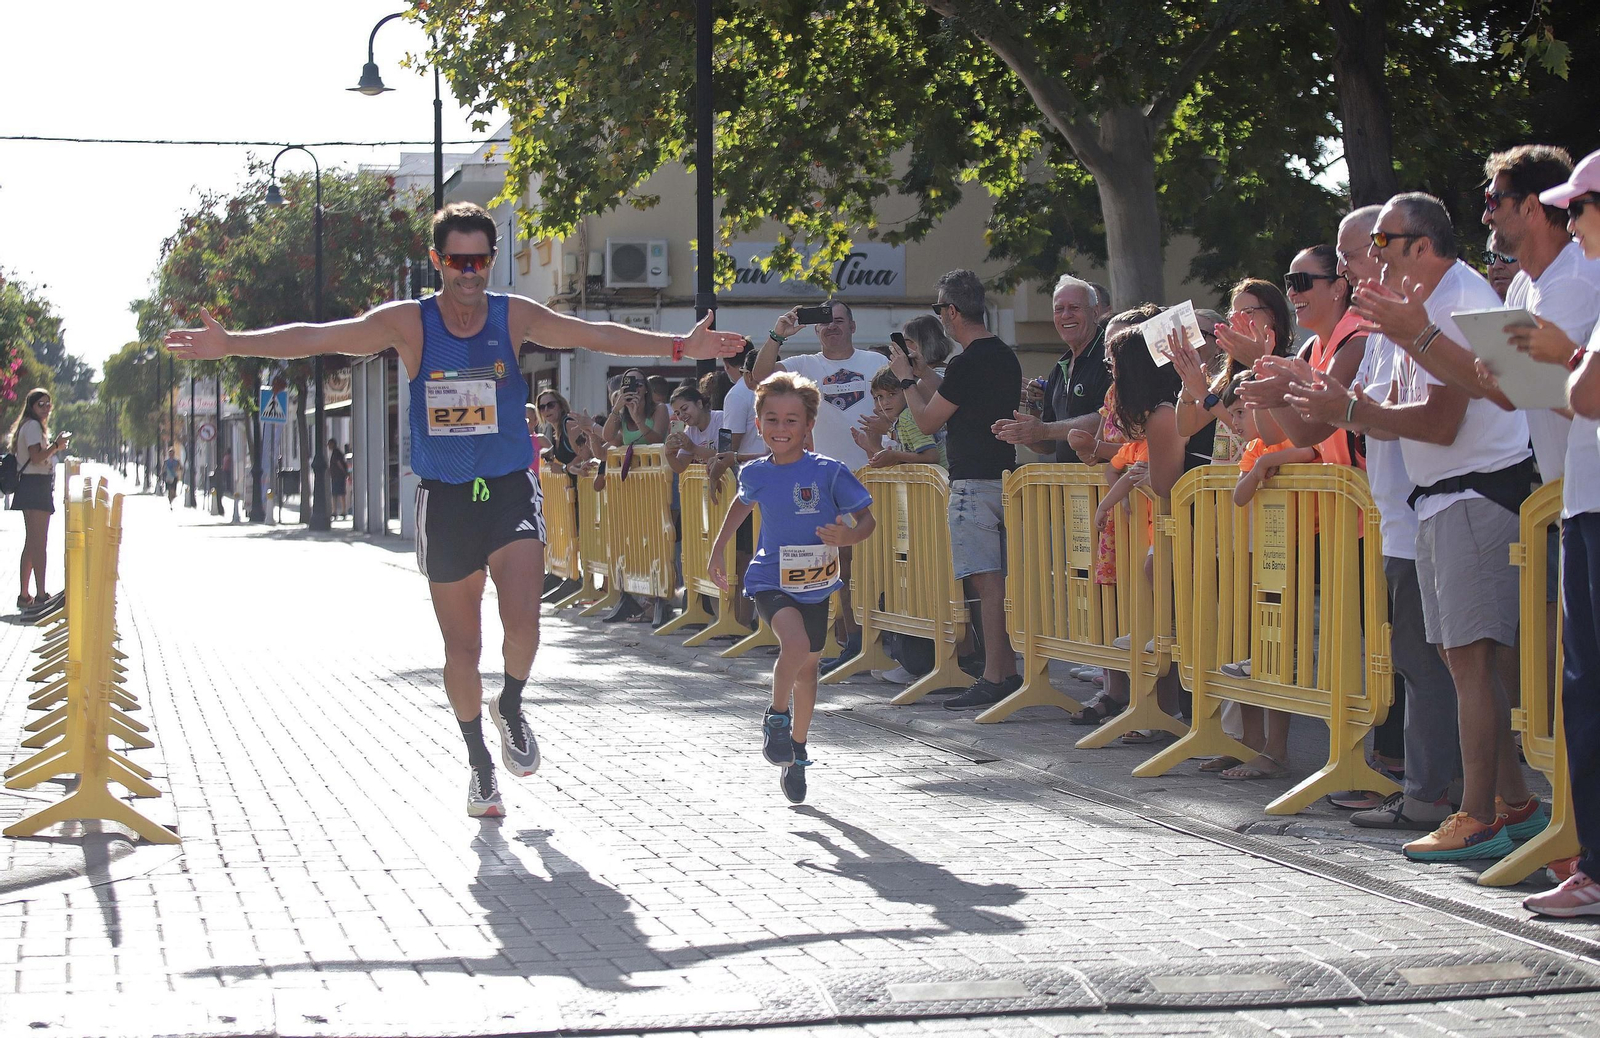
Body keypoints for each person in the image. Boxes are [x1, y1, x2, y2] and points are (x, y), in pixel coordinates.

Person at [165, 200, 743, 818]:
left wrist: (680, 346)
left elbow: (592, 333)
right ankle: (479, 765)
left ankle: (511, 707)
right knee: (461, 649)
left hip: (507, 490)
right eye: (458, 261)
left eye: (481, 261)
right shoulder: (409, 324)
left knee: (524, 625)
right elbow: (321, 335)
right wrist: (233, 344)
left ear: (492, 262)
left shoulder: (511, 315)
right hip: (444, 499)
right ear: (439, 262)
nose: (470, 273)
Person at [1331, 192, 1538, 862]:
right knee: (1466, 664)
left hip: (1474, 494)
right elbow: (1402, 410)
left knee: (1472, 662)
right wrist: (1343, 406)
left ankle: (1478, 813)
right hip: (1442, 497)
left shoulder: (1458, 300)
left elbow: (1441, 423)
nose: (1373, 259)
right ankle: (1517, 806)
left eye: (1383, 244)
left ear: (1421, 246)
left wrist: (1351, 408)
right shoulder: (1421, 305)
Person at [1275, 207, 1460, 832]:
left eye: (1355, 253)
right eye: (1353, 254)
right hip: (1397, 514)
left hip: (1430, 507)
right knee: (1413, 658)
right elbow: (1326, 422)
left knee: (1433, 661)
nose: (1356, 266)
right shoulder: (1378, 324)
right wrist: (1292, 384)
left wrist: (1338, 401)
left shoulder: (1425, 307)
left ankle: (1438, 794)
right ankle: (1431, 790)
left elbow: (1423, 417)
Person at [708, 372, 875, 804]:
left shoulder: (830, 472)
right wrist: (718, 550)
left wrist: (848, 538)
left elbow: (867, 521)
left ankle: (797, 752)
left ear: (807, 426)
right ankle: (776, 718)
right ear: (759, 423)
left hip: (817, 584)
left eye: (791, 421)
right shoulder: (756, 472)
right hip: (770, 578)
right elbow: (740, 507)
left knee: (809, 671)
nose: (781, 429)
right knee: (795, 644)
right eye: (772, 420)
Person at [1521, 149, 1600, 915]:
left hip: (1595, 506)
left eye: (1578, 209)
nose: (1569, 223)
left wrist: (1564, 355)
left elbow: (1586, 391)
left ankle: (1597, 869)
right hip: (1584, 500)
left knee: (1590, 685)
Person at [894, 269, 1022, 710]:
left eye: (940, 312)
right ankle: (1005, 669)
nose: (942, 321)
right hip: (1005, 477)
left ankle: (994, 674)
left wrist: (906, 382)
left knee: (987, 585)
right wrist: (922, 373)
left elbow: (928, 419)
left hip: (972, 483)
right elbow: (953, 394)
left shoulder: (968, 361)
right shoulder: (1003, 355)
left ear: (951, 311)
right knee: (1000, 584)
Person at [753, 302, 887, 665]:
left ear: (854, 326)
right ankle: (852, 641)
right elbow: (758, 379)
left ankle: (887, 643)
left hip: (882, 477)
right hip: (827, 484)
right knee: (839, 565)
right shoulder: (804, 366)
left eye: (839, 320)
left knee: (885, 565)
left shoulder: (876, 362)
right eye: (825, 322)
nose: (832, 327)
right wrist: (778, 334)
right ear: (816, 330)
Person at [990, 275, 1111, 460]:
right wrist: (1022, 431)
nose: (1065, 315)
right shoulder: (1060, 368)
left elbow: (1107, 420)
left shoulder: (1109, 357)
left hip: (1106, 485)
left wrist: (1044, 430)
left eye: (1074, 308)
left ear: (1095, 313)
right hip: (1069, 486)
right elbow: (1047, 445)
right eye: (1059, 309)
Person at [9, 389, 68, 612]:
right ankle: (41, 594)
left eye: (48, 404)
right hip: (35, 484)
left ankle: (25, 595)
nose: (46, 408)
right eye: (41, 404)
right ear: (32, 406)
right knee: (38, 543)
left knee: (32, 542)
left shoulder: (30, 425)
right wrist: (56, 446)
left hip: (32, 484)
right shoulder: (32, 426)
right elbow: (36, 457)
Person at [855, 367, 946, 468]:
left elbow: (931, 457)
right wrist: (875, 449)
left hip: (939, 481)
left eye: (891, 394)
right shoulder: (900, 421)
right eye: (879, 397)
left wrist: (895, 455)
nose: (884, 402)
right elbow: (911, 459)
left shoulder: (907, 417)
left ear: (907, 392)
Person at [664, 383, 725, 474]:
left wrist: (693, 448)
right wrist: (668, 453)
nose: (681, 415)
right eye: (677, 413)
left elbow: (725, 457)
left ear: (699, 404)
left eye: (684, 409)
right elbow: (680, 467)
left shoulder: (721, 419)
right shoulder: (689, 431)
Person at [327, 437, 349, 519]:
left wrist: (345, 473)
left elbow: (339, 463)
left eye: (329, 444)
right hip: (337, 476)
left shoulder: (336, 453)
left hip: (338, 476)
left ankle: (339, 511)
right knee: (338, 493)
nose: (328, 446)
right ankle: (338, 511)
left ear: (332, 444)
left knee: (337, 494)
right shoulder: (337, 452)